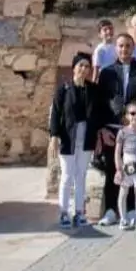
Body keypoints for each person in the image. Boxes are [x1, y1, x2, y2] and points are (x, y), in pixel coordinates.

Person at [95, 34, 136, 226]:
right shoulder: (107, 73)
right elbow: (101, 104)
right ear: (116, 48)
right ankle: (111, 210)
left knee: (134, 171)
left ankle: (131, 210)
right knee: (114, 170)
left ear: (133, 48)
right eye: (120, 46)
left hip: (134, 131)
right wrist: (102, 129)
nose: (124, 49)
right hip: (112, 129)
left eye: (128, 46)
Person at [49, 52, 100, 228]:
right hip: (68, 137)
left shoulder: (93, 90)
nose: (84, 70)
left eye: (87, 66)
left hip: (86, 136)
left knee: (81, 175)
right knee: (67, 175)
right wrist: (54, 136)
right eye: (81, 66)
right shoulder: (63, 89)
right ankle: (64, 212)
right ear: (74, 68)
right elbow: (56, 113)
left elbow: (97, 116)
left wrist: (99, 136)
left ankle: (79, 212)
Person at [113, 102, 136, 231]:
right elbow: (118, 152)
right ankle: (123, 218)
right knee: (123, 192)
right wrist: (118, 169)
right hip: (127, 164)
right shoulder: (122, 132)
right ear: (127, 115)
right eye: (132, 113)